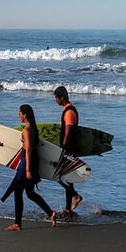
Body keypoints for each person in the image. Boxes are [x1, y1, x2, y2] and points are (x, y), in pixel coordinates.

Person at [1, 104, 56, 231]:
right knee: (30, 193)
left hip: (27, 163)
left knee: (18, 192)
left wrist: (27, 170)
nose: (18, 115)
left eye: (20, 113)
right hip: (30, 161)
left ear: (25, 115)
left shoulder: (27, 130)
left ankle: (17, 224)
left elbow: (29, 150)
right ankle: (51, 213)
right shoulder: (32, 128)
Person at [53, 85, 83, 215]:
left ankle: (76, 196)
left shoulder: (69, 112)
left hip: (69, 149)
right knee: (68, 178)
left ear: (62, 98)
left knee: (59, 176)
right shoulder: (67, 110)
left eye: (56, 98)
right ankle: (68, 207)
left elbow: (69, 132)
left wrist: (64, 148)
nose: (55, 100)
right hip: (68, 148)